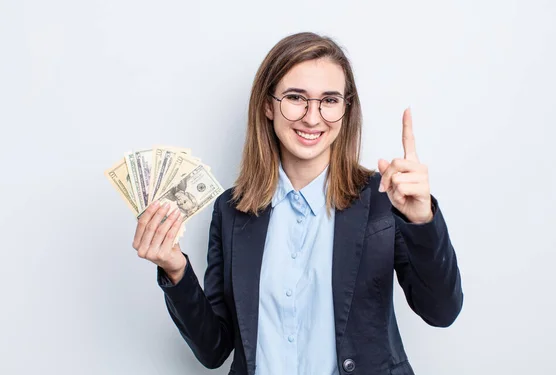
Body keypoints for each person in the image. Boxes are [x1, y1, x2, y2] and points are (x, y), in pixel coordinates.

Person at [132, 32, 463, 375]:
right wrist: (176, 271)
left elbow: (441, 311)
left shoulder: (384, 199)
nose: (312, 117)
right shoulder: (231, 211)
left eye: (329, 100)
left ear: (346, 109)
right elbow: (214, 349)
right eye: (295, 97)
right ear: (267, 104)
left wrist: (423, 221)